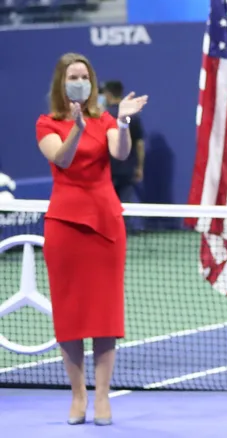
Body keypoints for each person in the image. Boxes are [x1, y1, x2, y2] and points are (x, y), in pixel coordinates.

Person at [36, 52, 148, 426]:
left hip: (106, 225)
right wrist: (78, 129)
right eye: (73, 76)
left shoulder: (105, 119)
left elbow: (120, 153)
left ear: (92, 81)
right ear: (61, 82)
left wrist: (125, 120)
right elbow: (62, 161)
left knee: (104, 316)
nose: (79, 81)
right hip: (65, 227)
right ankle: (78, 396)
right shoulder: (46, 123)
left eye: (84, 76)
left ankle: (103, 397)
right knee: (71, 316)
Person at [99, 80, 144, 230]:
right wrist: (139, 167)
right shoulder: (134, 117)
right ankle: (121, 233)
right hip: (126, 170)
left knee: (107, 207)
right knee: (124, 208)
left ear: (107, 94)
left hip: (108, 170)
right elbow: (139, 144)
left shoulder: (103, 116)